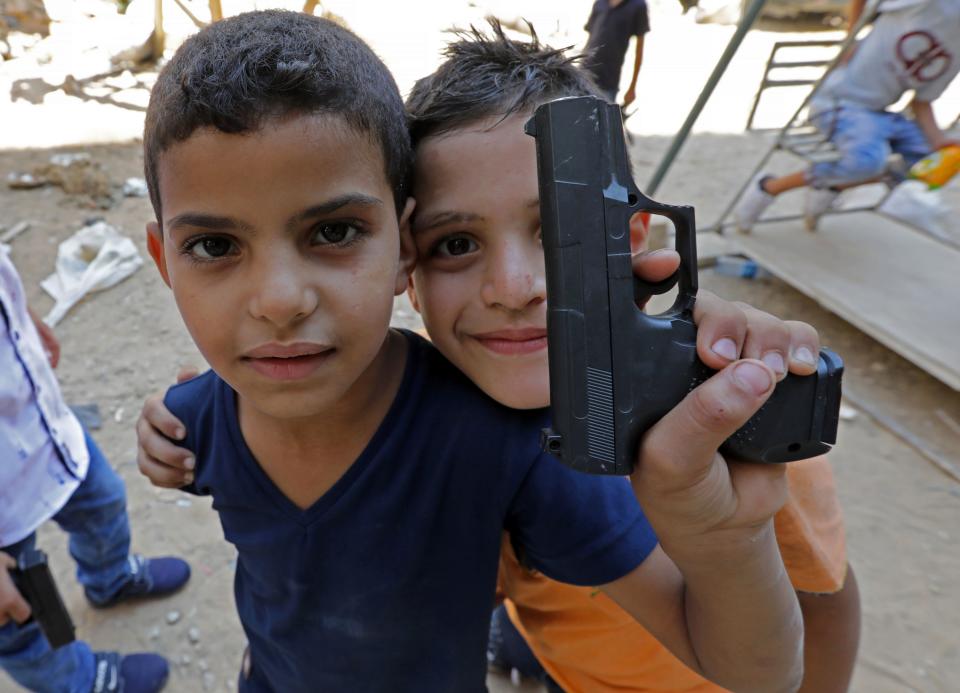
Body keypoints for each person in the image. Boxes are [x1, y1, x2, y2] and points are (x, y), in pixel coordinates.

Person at [135, 9, 806, 691]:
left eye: (333, 231)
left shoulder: (510, 442)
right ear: (165, 260)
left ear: (402, 250)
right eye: (215, 246)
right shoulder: (198, 415)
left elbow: (756, 670)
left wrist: (729, 540)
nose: (279, 300)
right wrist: (165, 436)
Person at [400, 22, 859, 693]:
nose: (513, 287)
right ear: (409, 275)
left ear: (637, 235)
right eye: (455, 244)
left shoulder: (735, 410)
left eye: (556, 230)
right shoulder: (438, 416)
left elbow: (829, 602)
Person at [0, 247, 191, 693]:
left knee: (103, 501)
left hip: (40, 427)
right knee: (21, 613)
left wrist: (18, 316)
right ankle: (79, 684)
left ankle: (110, 580)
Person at [734, 0, 960, 233]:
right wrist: (850, 37)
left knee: (930, 162)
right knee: (867, 162)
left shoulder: (955, 50)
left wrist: (938, 141)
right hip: (839, 102)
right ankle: (769, 187)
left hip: (880, 113)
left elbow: (921, 102)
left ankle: (833, 185)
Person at [582, 0, 649, 105]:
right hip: (583, 74)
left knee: (605, 119)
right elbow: (590, 39)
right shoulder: (600, 3)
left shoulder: (638, 5)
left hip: (609, 81)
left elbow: (639, 50)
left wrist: (632, 87)